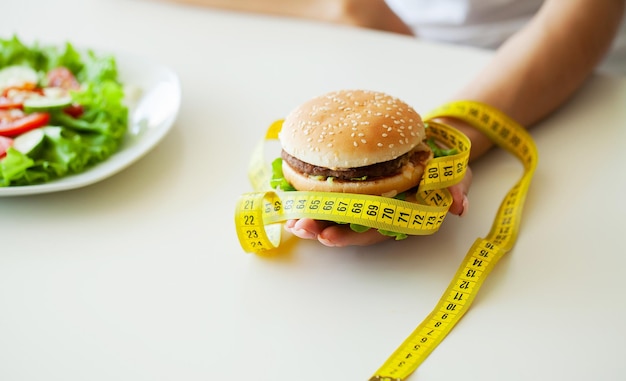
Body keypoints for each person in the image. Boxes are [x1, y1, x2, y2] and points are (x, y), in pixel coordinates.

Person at [166, 0, 626, 246]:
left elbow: (586, 14)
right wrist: (339, 8)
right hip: (349, 36)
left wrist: (456, 134)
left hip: (533, 64)